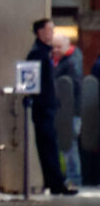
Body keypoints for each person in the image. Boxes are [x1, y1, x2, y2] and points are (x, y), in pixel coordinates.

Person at [30, 19, 69, 196]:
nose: (52, 32)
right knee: (48, 146)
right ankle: (55, 184)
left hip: (46, 106)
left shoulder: (44, 53)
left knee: (50, 145)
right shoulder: (38, 54)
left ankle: (54, 182)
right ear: (40, 32)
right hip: (43, 107)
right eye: (50, 29)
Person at [59, 35, 86, 191]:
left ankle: (73, 178)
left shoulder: (70, 63)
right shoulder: (67, 61)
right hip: (70, 110)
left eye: (57, 47)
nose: (54, 50)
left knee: (69, 144)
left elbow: (72, 88)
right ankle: (72, 177)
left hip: (70, 111)